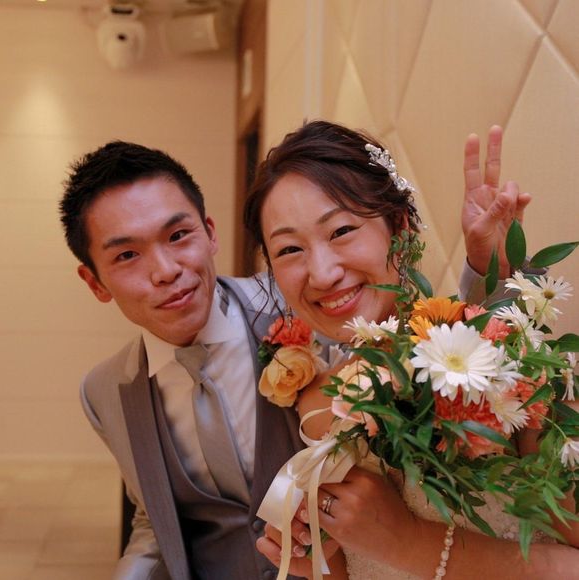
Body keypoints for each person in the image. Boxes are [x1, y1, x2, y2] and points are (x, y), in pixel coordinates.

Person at [244, 120, 579, 579]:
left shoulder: (500, 363)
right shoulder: (315, 404)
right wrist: (323, 565)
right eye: (288, 250)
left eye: (341, 230)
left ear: (399, 226)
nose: (321, 273)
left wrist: (408, 542)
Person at [59, 141, 353, 579]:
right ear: (95, 282)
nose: (166, 271)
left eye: (178, 236)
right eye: (126, 255)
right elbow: (155, 520)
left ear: (210, 232)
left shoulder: (304, 307)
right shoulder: (102, 392)